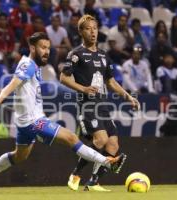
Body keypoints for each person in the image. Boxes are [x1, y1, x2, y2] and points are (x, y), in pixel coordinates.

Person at [0, 32, 126, 193]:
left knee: (19, 156)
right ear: (32, 48)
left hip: (25, 122)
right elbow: (14, 81)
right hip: (34, 122)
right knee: (71, 138)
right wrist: (1, 96)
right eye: (42, 48)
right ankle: (109, 162)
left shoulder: (34, 66)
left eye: (48, 48)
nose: (47, 51)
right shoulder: (28, 65)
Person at [60, 15, 140, 192]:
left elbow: (111, 82)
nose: (92, 32)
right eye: (88, 28)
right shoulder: (76, 54)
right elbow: (63, 77)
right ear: (81, 32)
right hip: (86, 105)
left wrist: (128, 96)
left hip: (102, 105)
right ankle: (75, 175)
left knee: (113, 145)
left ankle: (94, 182)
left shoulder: (104, 56)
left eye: (94, 28)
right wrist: (83, 89)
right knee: (100, 139)